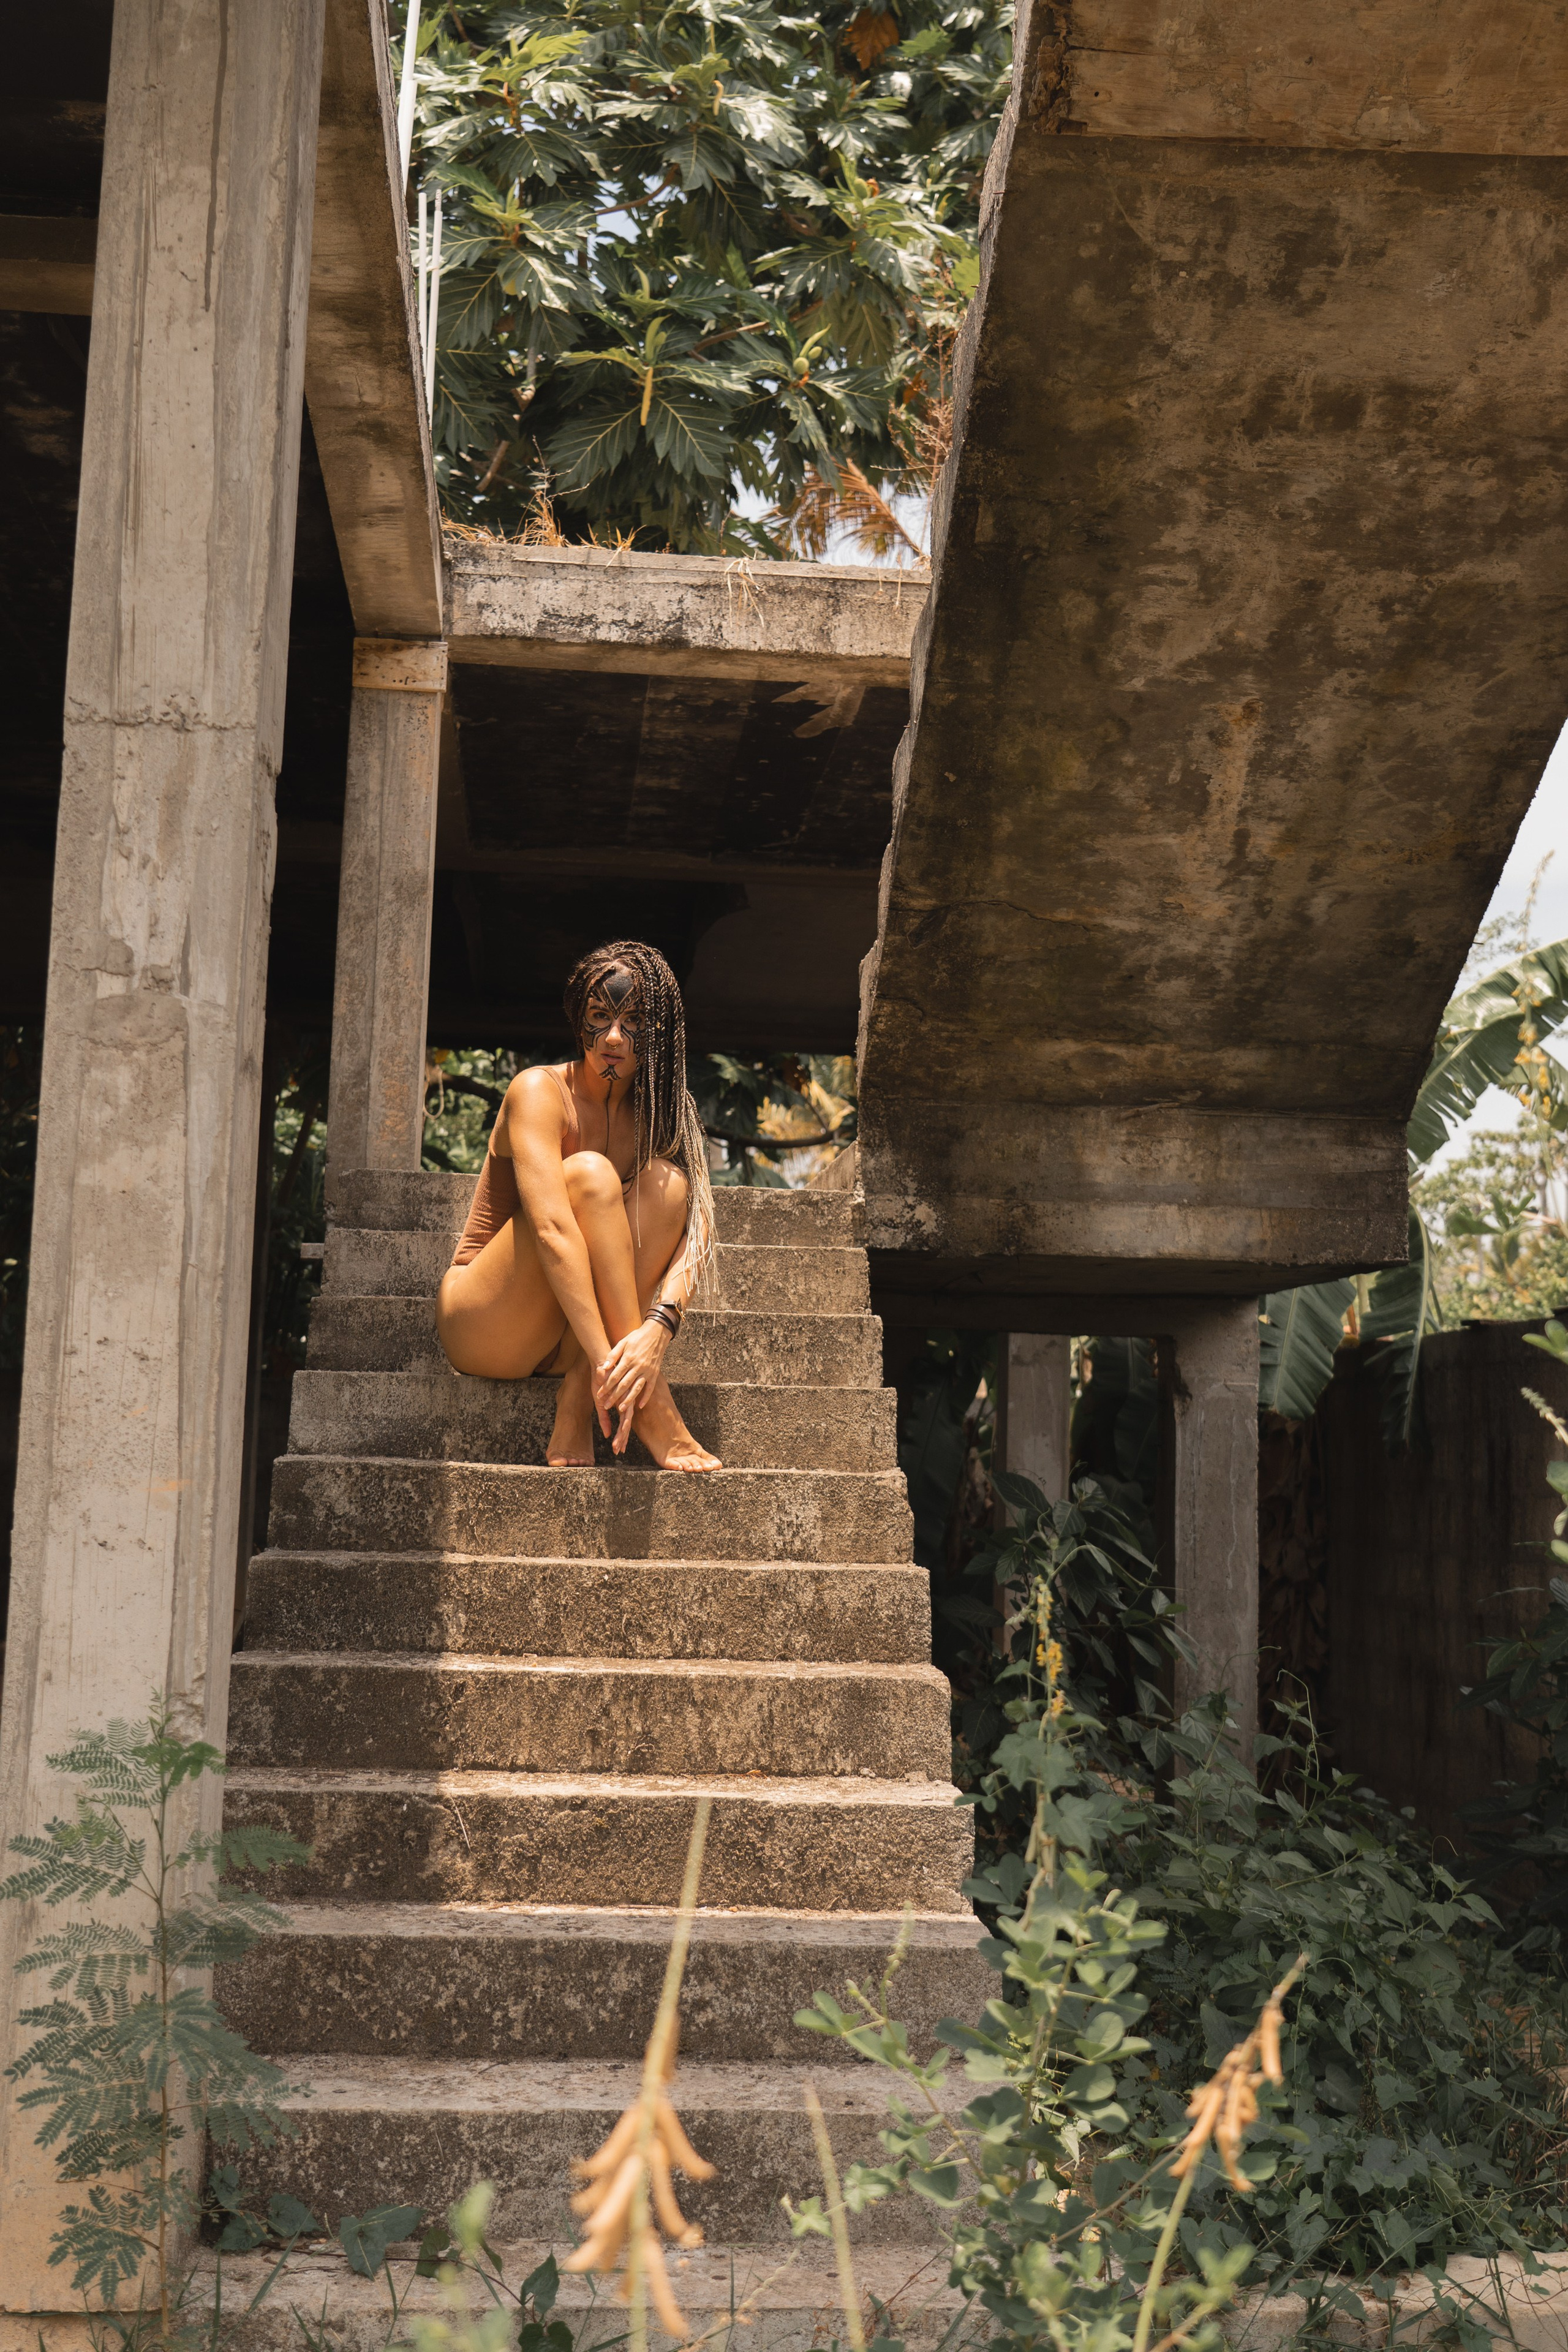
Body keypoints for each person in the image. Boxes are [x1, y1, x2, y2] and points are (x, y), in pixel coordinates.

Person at [435, 939, 722, 1471]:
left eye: (633, 1019)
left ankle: (574, 1399)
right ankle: (650, 1407)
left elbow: (699, 1230)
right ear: (578, 1022)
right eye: (598, 1017)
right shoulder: (540, 1092)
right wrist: (610, 1365)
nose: (613, 1037)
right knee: (590, 1175)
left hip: (569, 1331)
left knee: (671, 1186)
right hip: (488, 1321)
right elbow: (551, 1232)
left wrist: (659, 1330)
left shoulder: (661, 1112)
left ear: (658, 1032)